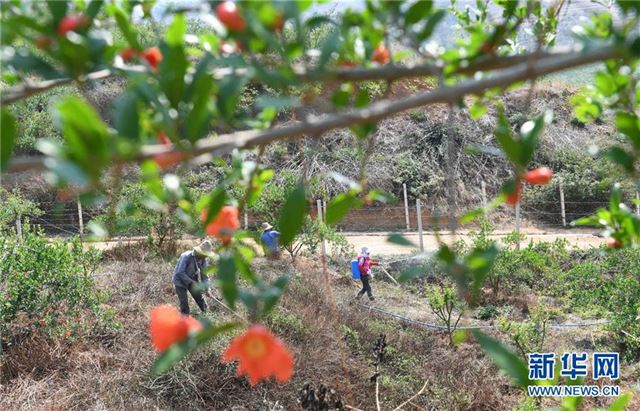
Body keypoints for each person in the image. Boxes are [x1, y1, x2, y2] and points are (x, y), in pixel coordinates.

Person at [173, 240, 213, 315]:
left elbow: (205, 276)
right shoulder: (186, 256)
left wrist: (207, 289)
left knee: (201, 300)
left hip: (192, 280)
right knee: (184, 303)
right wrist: (192, 282)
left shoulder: (203, 260)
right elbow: (180, 273)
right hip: (180, 281)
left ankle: (208, 315)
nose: (206, 256)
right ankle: (185, 321)